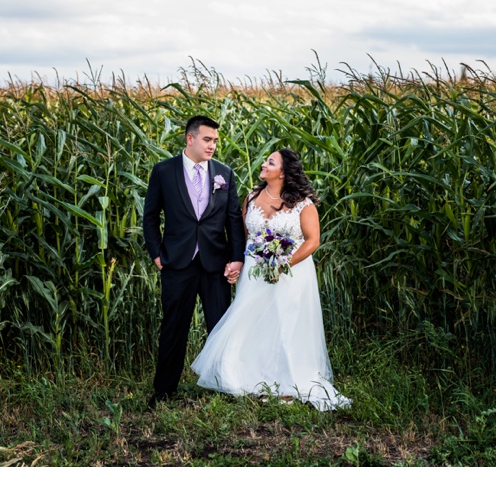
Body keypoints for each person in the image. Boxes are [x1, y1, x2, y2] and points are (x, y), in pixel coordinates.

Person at [191, 148, 351, 411]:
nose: (264, 164)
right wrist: (237, 264)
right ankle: (252, 379)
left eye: (270, 162)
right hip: (256, 272)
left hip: (291, 272)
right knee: (254, 323)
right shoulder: (252, 197)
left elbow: (313, 241)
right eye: (266, 160)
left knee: (287, 325)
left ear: (284, 172)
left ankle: (288, 385)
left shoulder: (303, 204)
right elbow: (244, 237)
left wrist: (283, 263)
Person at [143, 115, 246, 408]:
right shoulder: (164, 171)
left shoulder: (224, 173)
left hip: (215, 264)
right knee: (174, 327)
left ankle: (225, 386)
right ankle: (163, 391)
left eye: (215, 141)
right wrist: (157, 255)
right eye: (207, 139)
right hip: (177, 263)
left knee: (220, 327)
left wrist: (236, 258)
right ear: (190, 139)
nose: (212, 145)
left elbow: (233, 221)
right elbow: (150, 216)